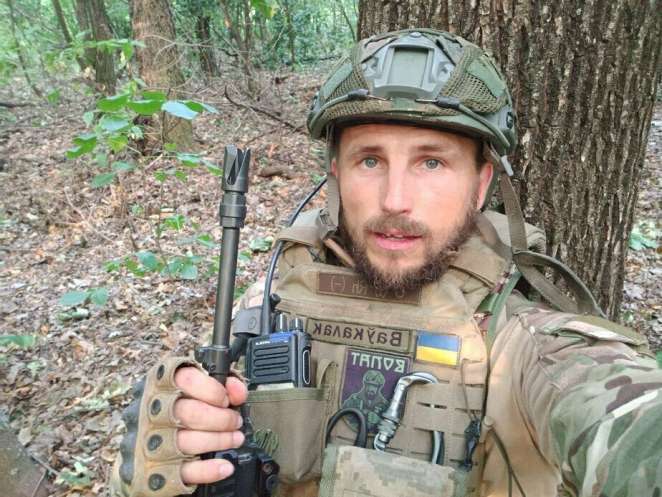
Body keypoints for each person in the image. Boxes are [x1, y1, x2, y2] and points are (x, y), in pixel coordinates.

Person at [110, 28, 662, 497]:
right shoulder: (274, 301)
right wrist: (165, 460)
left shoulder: (530, 348)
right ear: (336, 176)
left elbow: (629, 425)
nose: (395, 200)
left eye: (431, 162)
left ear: (480, 186)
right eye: (370, 160)